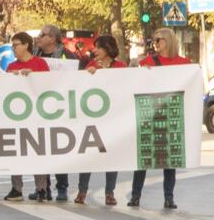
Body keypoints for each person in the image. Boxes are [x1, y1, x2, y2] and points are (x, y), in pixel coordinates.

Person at [130, 29, 189, 210]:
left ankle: (169, 197)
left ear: (168, 41)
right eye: (154, 39)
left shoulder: (184, 63)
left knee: (169, 159)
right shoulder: (148, 62)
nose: (155, 43)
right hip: (150, 112)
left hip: (171, 112)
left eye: (159, 40)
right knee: (144, 158)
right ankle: (135, 195)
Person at [75, 35, 123, 205]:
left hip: (113, 117)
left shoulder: (120, 66)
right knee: (89, 155)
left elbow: (124, 85)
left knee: (111, 156)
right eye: (94, 47)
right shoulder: (91, 65)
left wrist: (107, 74)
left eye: (99, 47)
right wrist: (89, 75)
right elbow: (82, 86)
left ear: (108, 49)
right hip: (93, 117)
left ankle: (110, 192)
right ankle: (82, 190)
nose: (94, 50)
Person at [3, 32, 52, 201]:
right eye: (12, 46)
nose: (13, 48)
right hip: (17, 116)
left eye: (16, 45)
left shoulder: (40, 63)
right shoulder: (11, 67)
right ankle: (16, 188)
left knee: (39, 151)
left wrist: (34, 77)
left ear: (26, 45)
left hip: (38, 115)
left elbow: (49, 86)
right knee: (15, 151)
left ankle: (41, 189)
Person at [33, 25, 71, 199]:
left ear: (53, 39)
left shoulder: (67, 56)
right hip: (38, 108)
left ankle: (62, 187)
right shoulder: (35, 55)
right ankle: (43, 187)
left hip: (59, 108)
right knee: (41, 149)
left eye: (43, 35)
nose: (38, 37)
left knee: (59, 149)